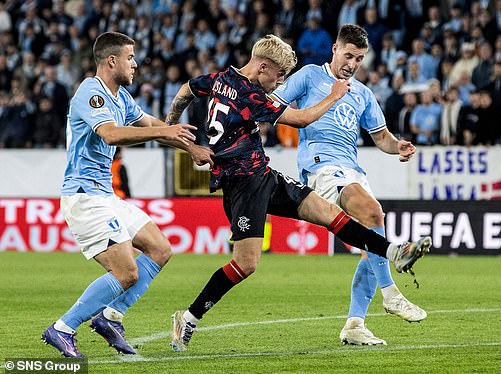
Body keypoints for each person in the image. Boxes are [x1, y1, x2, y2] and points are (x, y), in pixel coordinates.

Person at [164, 34, 430, 352]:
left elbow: (186, 90)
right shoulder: (252, 96)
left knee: (329, 214)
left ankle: (392, 253)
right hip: (242, 185)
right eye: (278, 76)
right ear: (263, 67)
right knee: (245, 265)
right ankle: (189, 318)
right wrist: (333, 96)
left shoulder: (219, 79)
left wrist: (173, 126)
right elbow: (301, 119)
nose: (279, 84)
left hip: (264, 176)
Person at [41, 32, 212, 358]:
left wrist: (192, 148)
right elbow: (110, 134)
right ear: (112, 60)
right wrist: (164, 130)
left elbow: (150, 124)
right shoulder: (90, 93)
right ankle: (62, 328)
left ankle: (110, 317)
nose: (135, 64)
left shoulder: (121, 97)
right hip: (84, 196)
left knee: (160, 249)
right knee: (126, 272)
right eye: (130, 58)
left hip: (105, 195)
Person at [271, 24, 430, 346]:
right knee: (373, 212)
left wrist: (398, 145)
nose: (352, 63)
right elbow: (272, 105)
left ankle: (355, 325)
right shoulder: (310, 76)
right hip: (320, 166)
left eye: (359, 58)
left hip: (353, 170)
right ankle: (391, 294)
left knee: (370, 244)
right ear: (334, 49)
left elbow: (381, 137)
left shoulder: (363, 93)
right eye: (348, 55)